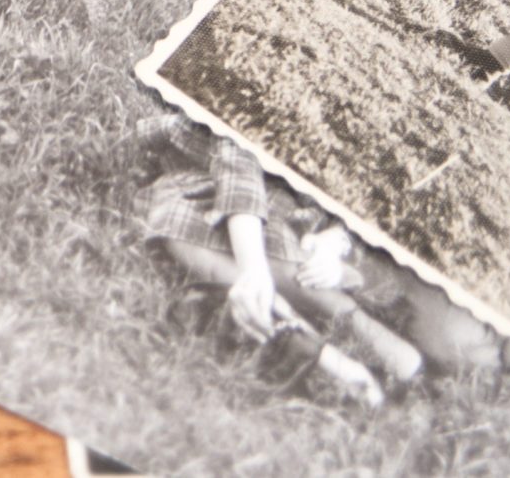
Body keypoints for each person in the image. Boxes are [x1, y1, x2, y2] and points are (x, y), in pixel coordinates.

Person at [131, 114, 420, 406]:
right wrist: (252, 270)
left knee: (305, 268)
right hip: (210, 182)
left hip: (292, 215)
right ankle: (312, 349)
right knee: (180, 228)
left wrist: (335, 241)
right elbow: (237, 167)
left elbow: (370, 203)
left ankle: (353, 325)